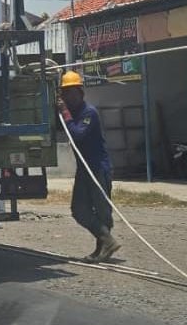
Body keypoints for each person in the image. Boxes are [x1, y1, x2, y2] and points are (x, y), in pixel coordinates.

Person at [57, 71, 121, 263]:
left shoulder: (88, 113)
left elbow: (77, 135)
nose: (69, 97)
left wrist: (65, 113)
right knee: (79, 209)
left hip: (98, 169)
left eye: (72, 93)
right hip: (84, 170)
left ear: (80, 92)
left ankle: (104, 246)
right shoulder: (72, 113)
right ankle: (106, 240)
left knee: (102, 210)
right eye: (65, 93)